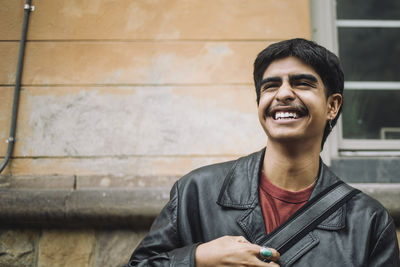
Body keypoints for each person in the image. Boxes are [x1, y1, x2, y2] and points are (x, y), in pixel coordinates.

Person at [126, 38, 400, 266]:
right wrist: (199, 258)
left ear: (332, 106)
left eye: (302, 83)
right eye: (270, 85)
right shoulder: (195, 192)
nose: (283, 94)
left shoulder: (369, 222)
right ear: (260, 103)